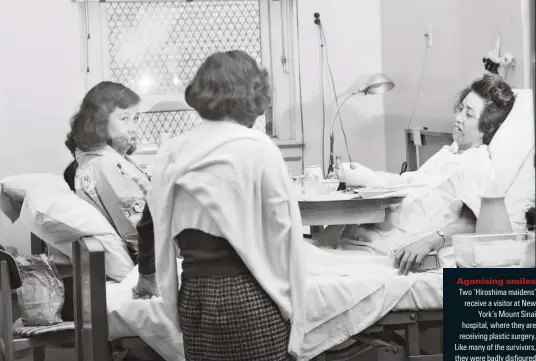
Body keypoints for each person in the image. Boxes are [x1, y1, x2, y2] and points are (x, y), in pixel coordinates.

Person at [147, 50, 299, 361]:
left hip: (193, 294)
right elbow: (284, 232)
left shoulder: (172, 151)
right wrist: (294, 307)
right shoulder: (257, 148)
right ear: (253, 96)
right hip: (248, 294)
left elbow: (153, 224)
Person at [337, 74, 516, 275]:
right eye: (461, 109)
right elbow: (411, 184)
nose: (458, 117)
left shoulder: (476, 162)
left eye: (469, 114)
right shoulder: (450, 153)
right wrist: (368, 178)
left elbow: (472, 221)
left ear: (487, 128)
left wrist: (428, 242)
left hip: (398, 250)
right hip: (378, 237)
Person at [65, 81, 158, 296]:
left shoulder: (101, 158)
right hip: (146, 260)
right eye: (124, 119)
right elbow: (138, 229)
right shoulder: (106, 165)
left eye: (136, 119)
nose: (133, 127)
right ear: (98, 123)